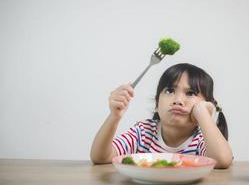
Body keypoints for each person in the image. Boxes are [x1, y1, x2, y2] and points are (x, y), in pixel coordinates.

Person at [90, 63, 233, 168]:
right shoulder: (143, 132)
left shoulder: (202, 138)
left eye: (190, 93)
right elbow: (101, 157)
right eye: (170, 91)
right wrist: (114, 116)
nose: (178, 100)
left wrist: (204, 115)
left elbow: (222, 160)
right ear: (157, 105)